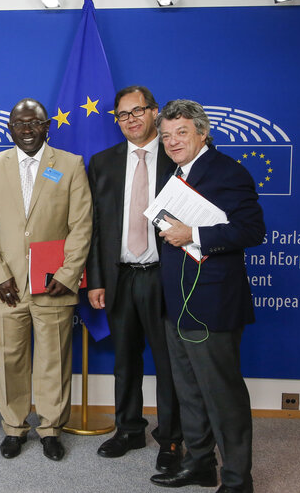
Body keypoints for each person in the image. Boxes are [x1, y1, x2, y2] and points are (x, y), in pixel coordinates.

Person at [149, 100, 264, 493]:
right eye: (166, 135)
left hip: (212, 306)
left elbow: (251, 231)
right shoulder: (173, 173)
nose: (172, 141)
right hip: (175, 305)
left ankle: (237, 480)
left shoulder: (229, 172)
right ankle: (199, 464)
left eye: (181, 132)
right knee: (190, 393)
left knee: (222, 396)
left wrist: (195, 235)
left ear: (202, 132)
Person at [0, 98, 92, 461]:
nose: (27, 130)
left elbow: (81, 224)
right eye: (20, 123)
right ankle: (14, 428)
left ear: (47, 127)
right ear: (10, 128)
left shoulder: (70, 165)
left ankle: (51, 428)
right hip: (5, 287)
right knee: (9, 359)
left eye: (35, 123)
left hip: (53, 284)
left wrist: (68, 273)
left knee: (54, 359)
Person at [86, 86, 182, 471]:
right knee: (125, 359)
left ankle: (172, 437)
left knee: (169, 361)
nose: (130, 119)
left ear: (154, 112)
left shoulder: (177, 157)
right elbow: (94, 227)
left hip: (166, 275)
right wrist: (96, 279)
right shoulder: (102, 162)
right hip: (120, 276)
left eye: (137, 111)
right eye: (122, 114)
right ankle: (128, 428)